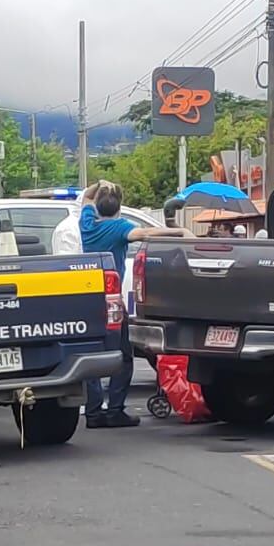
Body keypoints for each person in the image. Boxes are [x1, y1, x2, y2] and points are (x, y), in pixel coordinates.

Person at [78, 182, 187, 428]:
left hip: (89, 299)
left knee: (91, 357)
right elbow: (144, 234)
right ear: (119, 209)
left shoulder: (87, 224)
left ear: (97, 207)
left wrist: (99, 185)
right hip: (112, 301)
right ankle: (115, 409)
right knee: (123, 356)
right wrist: (179, 232)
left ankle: (93, 412)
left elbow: (86, 198)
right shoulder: (118, 227)